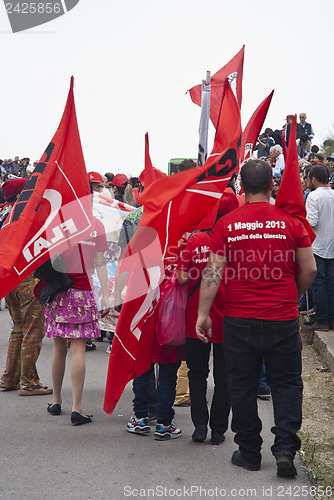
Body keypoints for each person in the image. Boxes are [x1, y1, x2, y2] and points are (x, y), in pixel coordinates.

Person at [196, 159, 316, 477]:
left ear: (241, 188)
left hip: (239, 320)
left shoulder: (227, 224)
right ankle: (286, 450)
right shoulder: (292, 223)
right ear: (271, 185)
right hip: (282, 318)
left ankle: (249, 452)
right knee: (288, 384)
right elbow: (310, 269)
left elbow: (213, 272)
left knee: (243, 386)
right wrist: (292, 296)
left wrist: (203, 314)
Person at [176, 192, 238, 445]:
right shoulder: (236, 241)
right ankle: (219, 430)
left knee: (197, 372)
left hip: (195, 317)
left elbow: (181, 278)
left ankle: (200, 426)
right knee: (225, 376)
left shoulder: (196, 240)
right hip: (227, 317)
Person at [43, 217, 110, 424]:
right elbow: (100, 262)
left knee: (59, 349)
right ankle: (77, 408)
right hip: (83, 293)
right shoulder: (97, 224)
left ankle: (55, 401)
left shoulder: (59, 222)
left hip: (59, 292)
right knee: (78, 350)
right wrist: (106, 293)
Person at [0, 179, 52, 396]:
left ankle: (9, 377)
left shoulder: (5, 214)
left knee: (18, 329)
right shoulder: (27, 215)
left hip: (9, 278)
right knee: (33, 331)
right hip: (28, 277)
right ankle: (29, 382)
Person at [306, 164, 334, 331]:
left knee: (319, 283)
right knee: (329, 283)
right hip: (331, 245)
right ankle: (330, 318)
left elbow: (311, 222)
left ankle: (322, 319)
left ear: (313, 180)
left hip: (317, 246)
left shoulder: (313, 196)